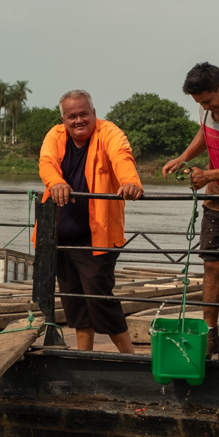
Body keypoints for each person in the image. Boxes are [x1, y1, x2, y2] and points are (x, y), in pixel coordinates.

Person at [39, 90, 143, 353]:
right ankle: (83, 353)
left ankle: (129, 356)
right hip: (59, 235)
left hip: (97, 235)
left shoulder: (109, 133)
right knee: (72, 299)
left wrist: (130, 181)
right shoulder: (55, 135)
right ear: (63, 119)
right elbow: (47, 162)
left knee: (99, 298)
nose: (78, 120)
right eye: (71, 116)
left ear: (94, 113)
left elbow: (122, 157)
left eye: (83, 114)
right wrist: (56, 182)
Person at [162, 62, 219, 356]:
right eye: (200, 103)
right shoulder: (207, 110)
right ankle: (209, 335)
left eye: (208, 100)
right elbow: (205, 133)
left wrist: (207, 175)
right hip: (217, 199)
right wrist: (183, 157)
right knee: (211, 265)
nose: (206, 107)